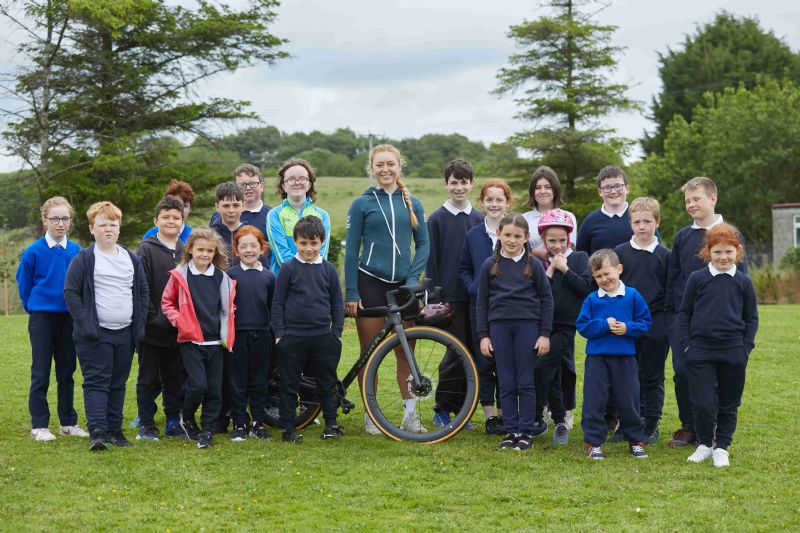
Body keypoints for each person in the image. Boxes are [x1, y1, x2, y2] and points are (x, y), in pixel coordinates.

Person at [344, 144, 429, 434]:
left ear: (399, 166)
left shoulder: (413, 203)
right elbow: (351, 251)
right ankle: (372, 415)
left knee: (406, 354)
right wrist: (352, 293)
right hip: (370, 282)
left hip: (403, 287)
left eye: (390, 164)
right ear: (372, 168)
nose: (385, 170)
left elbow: (424, 245)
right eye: (379, 165)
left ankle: (411, 415)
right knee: (370, 353)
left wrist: (412, 280)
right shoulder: (361, 204)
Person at [664, 177, 748, 448]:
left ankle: (712, 430)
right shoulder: (682, 237)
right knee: (683, 373)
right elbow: (673, 278)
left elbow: (742, 285)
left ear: (712, 199)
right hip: (685, 322)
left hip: (721, 326)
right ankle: (690, 426)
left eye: (696, 198)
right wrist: (673, 319)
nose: (691, 204)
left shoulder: (730, 234)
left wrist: (743, 333)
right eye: (687, 200)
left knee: (715, 378)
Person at [64, 201, 148, 451]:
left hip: (125, 333)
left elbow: (142, 293)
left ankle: (115, 430)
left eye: (113, 224)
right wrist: (87, 325)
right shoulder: (84, 259)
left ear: (119, 228)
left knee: (118, 383)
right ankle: (97, 432)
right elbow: (71, 294)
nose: (108, 229)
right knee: (96, 381)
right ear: (92, 228)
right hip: (95, 334)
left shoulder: (131, 259)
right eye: (102, 225)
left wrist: (139, 327)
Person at [679, 223, 758, 468]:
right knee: (702, 402)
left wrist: (745, 347)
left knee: (729, 402)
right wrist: (686, 346)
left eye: (728, 252)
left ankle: (722, 446)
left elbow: (751, 318)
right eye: (717, 252)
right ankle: (705, 444)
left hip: (733, 349)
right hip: (700, 350)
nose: (723, 257)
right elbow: (684, 315)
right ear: (708, 252)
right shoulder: (697, 279)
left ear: (738, 252)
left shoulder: (744, 282)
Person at [476, 215, 553, 451]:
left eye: (517, 236)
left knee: (525, 381)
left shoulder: (535, 266)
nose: (512, 240)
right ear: (499, 234)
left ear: (526, 238)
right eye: (507, 235)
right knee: (506, 380)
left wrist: (544, 334)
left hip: (528, 328)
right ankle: (511, 430)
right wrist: (484, 335)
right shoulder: (490, 265)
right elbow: (481, 303)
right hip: (499, 328)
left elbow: (547, 300)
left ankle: (526, 431)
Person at [16, 196, 88, 442]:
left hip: (69, 319)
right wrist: (36, 308)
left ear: (70, 221)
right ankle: (39, 424)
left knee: (67, 371)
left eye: (65, 219)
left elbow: (80, 286)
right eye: (55, 219)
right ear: (45, 220)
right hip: (42, 318)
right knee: (41, 371)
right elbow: (24, 287)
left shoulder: (76, 251)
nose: (60, 224)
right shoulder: (33, 251)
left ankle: (68, 422)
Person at [161, 227, 236, 449]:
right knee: (197, 386)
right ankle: (187, 415)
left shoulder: (222, 277)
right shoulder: (180, 275)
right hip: (191, 341)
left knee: (214, 389)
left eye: (209, 251)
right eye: (200, 249)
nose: (204, 254)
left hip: (216, 342)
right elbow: (167, 303)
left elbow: (227, 307)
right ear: (190, 249)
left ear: (215, 253)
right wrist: (179, 320)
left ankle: (206, 431)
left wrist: (229, 318)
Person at [272, 216, 344, 443]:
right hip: (293, 336)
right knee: (289, 383)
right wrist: (280, 334)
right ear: (295, 242)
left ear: (322, 242)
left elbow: (336, 303)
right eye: (303, 243)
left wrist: (337, 332)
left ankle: (331, 424)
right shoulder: (287, 268)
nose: (308, 248)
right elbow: (278, 302)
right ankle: (287, 428)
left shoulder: (329, 269)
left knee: (326, 382)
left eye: (313, 243)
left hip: (323, 336)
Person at [576, 249, 652, 460]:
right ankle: (593, 442)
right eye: (598, 276)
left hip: (625, 359)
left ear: (619, 269)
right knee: (594, 401)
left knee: (629, 400)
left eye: (607, 273)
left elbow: (645, 322)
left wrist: (627, 329)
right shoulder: (592, 299)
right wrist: (602, 325)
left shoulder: (632, 296)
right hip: (597, 360)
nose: (603, 279)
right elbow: (582, 326)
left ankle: (635, 440)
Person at [426, 158, 484, 428]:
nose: (459, 187)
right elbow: (432, 259)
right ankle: (443, 407)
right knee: (455, 352)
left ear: (471, 184)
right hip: (450, 296)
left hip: (477, 296)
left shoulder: (479, 219)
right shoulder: (436, 219)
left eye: (463, 182)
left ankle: (464, 409)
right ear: (446, 184)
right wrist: (434, 297)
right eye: (453, 182)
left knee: (474, 353)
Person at [613, 197, 671, 444]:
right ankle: (626, 424)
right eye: (637, 221)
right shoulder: (620, 252)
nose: (642, 226)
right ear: (630, 223)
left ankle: (650, 424)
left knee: (652, 376)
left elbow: (670, 290)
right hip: (625, 325)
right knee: (627, 375)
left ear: (657, 222)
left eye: (647, 221)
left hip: (655, 325)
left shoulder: (666, 255)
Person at [459, 179, 512, 434]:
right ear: (482, 202)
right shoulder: (473, 234)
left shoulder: (513, 232)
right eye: (489, 199)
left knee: (505, 361)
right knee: (484, 360)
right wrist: (475, 290)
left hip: (506, 309)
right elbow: (464, 269)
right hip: (479, 307)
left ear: (507, 203)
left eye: (499, 199)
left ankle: (506, 413)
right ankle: (489, 415)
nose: (494, 204)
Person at [534, 209, 592, 445]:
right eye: (551, 241)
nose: (557, 246)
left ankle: (536, 414)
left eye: (561, 240)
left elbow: (585, 287)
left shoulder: (579, 258)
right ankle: (558, 421)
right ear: (543, 241)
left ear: (569, 239)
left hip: (565, 326)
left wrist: (565, 269)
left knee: (542, 369)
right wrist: (549, 269)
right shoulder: (539, 263)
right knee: (553, 372)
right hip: (541, 326)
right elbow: (537, 293)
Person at [134, 196, 187, 441]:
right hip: (152, 329)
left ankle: (173, 421)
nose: (171, 221)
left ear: (183, 221)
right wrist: (153, 319)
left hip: (180, 329)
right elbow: (141, 288)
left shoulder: (187, 251)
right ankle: (146, 423)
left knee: (174, 377)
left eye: (176, 217)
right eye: (165, 217)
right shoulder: (145, 250)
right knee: (148, 378)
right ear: (156, 221)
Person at [226, 226, 276, 442]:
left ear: (262, 248)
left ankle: (257, 421)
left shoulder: (269, 277)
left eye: (253, 245)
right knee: (237, 380)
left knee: (259, 380)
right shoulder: (229, 276)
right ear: (236, 250)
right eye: (243, 246)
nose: (249, 250)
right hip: (237, 335)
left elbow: (273, 306)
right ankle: (239, 422)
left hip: (262, 334)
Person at [266, 158, 331, 273]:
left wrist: (309, 276)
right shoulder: (274, 215)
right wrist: (301, 275)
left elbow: (322, 253)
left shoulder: (323, 216)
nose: (297, 182)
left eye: (302, 178)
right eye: (291, 179)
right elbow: (281, 254)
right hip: (284, 280)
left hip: (314, 279)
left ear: (309, 184)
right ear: (283, 186)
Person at [576, 165, 633, 256]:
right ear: (600, 192)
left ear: (627, 189)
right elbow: (581, 259)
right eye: (607, 187)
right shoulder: (590, 221)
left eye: (618, 186)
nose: (613, 191)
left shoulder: (639, 217)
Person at [522, 166, 578, 255]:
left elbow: (568, 248)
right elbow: (519, 249)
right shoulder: (523, 219)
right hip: (530, 268)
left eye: (548, 187)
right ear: (532, 192)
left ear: (555, 190)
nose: (543, 191)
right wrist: (538, 253)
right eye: (538, 188)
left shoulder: (568, 217)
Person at [210, 164, 271, 235]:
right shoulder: (219, 215)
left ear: (262, 186)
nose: (248, 188)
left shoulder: (272, 216)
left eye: (253, 183)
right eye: (242, 184)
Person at [210, 182, 247, 250]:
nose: (231, 210)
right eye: (226, 206)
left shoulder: (251, 235)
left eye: (236, 205)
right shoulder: (210, 236)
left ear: (243, 206)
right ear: (217, 207)